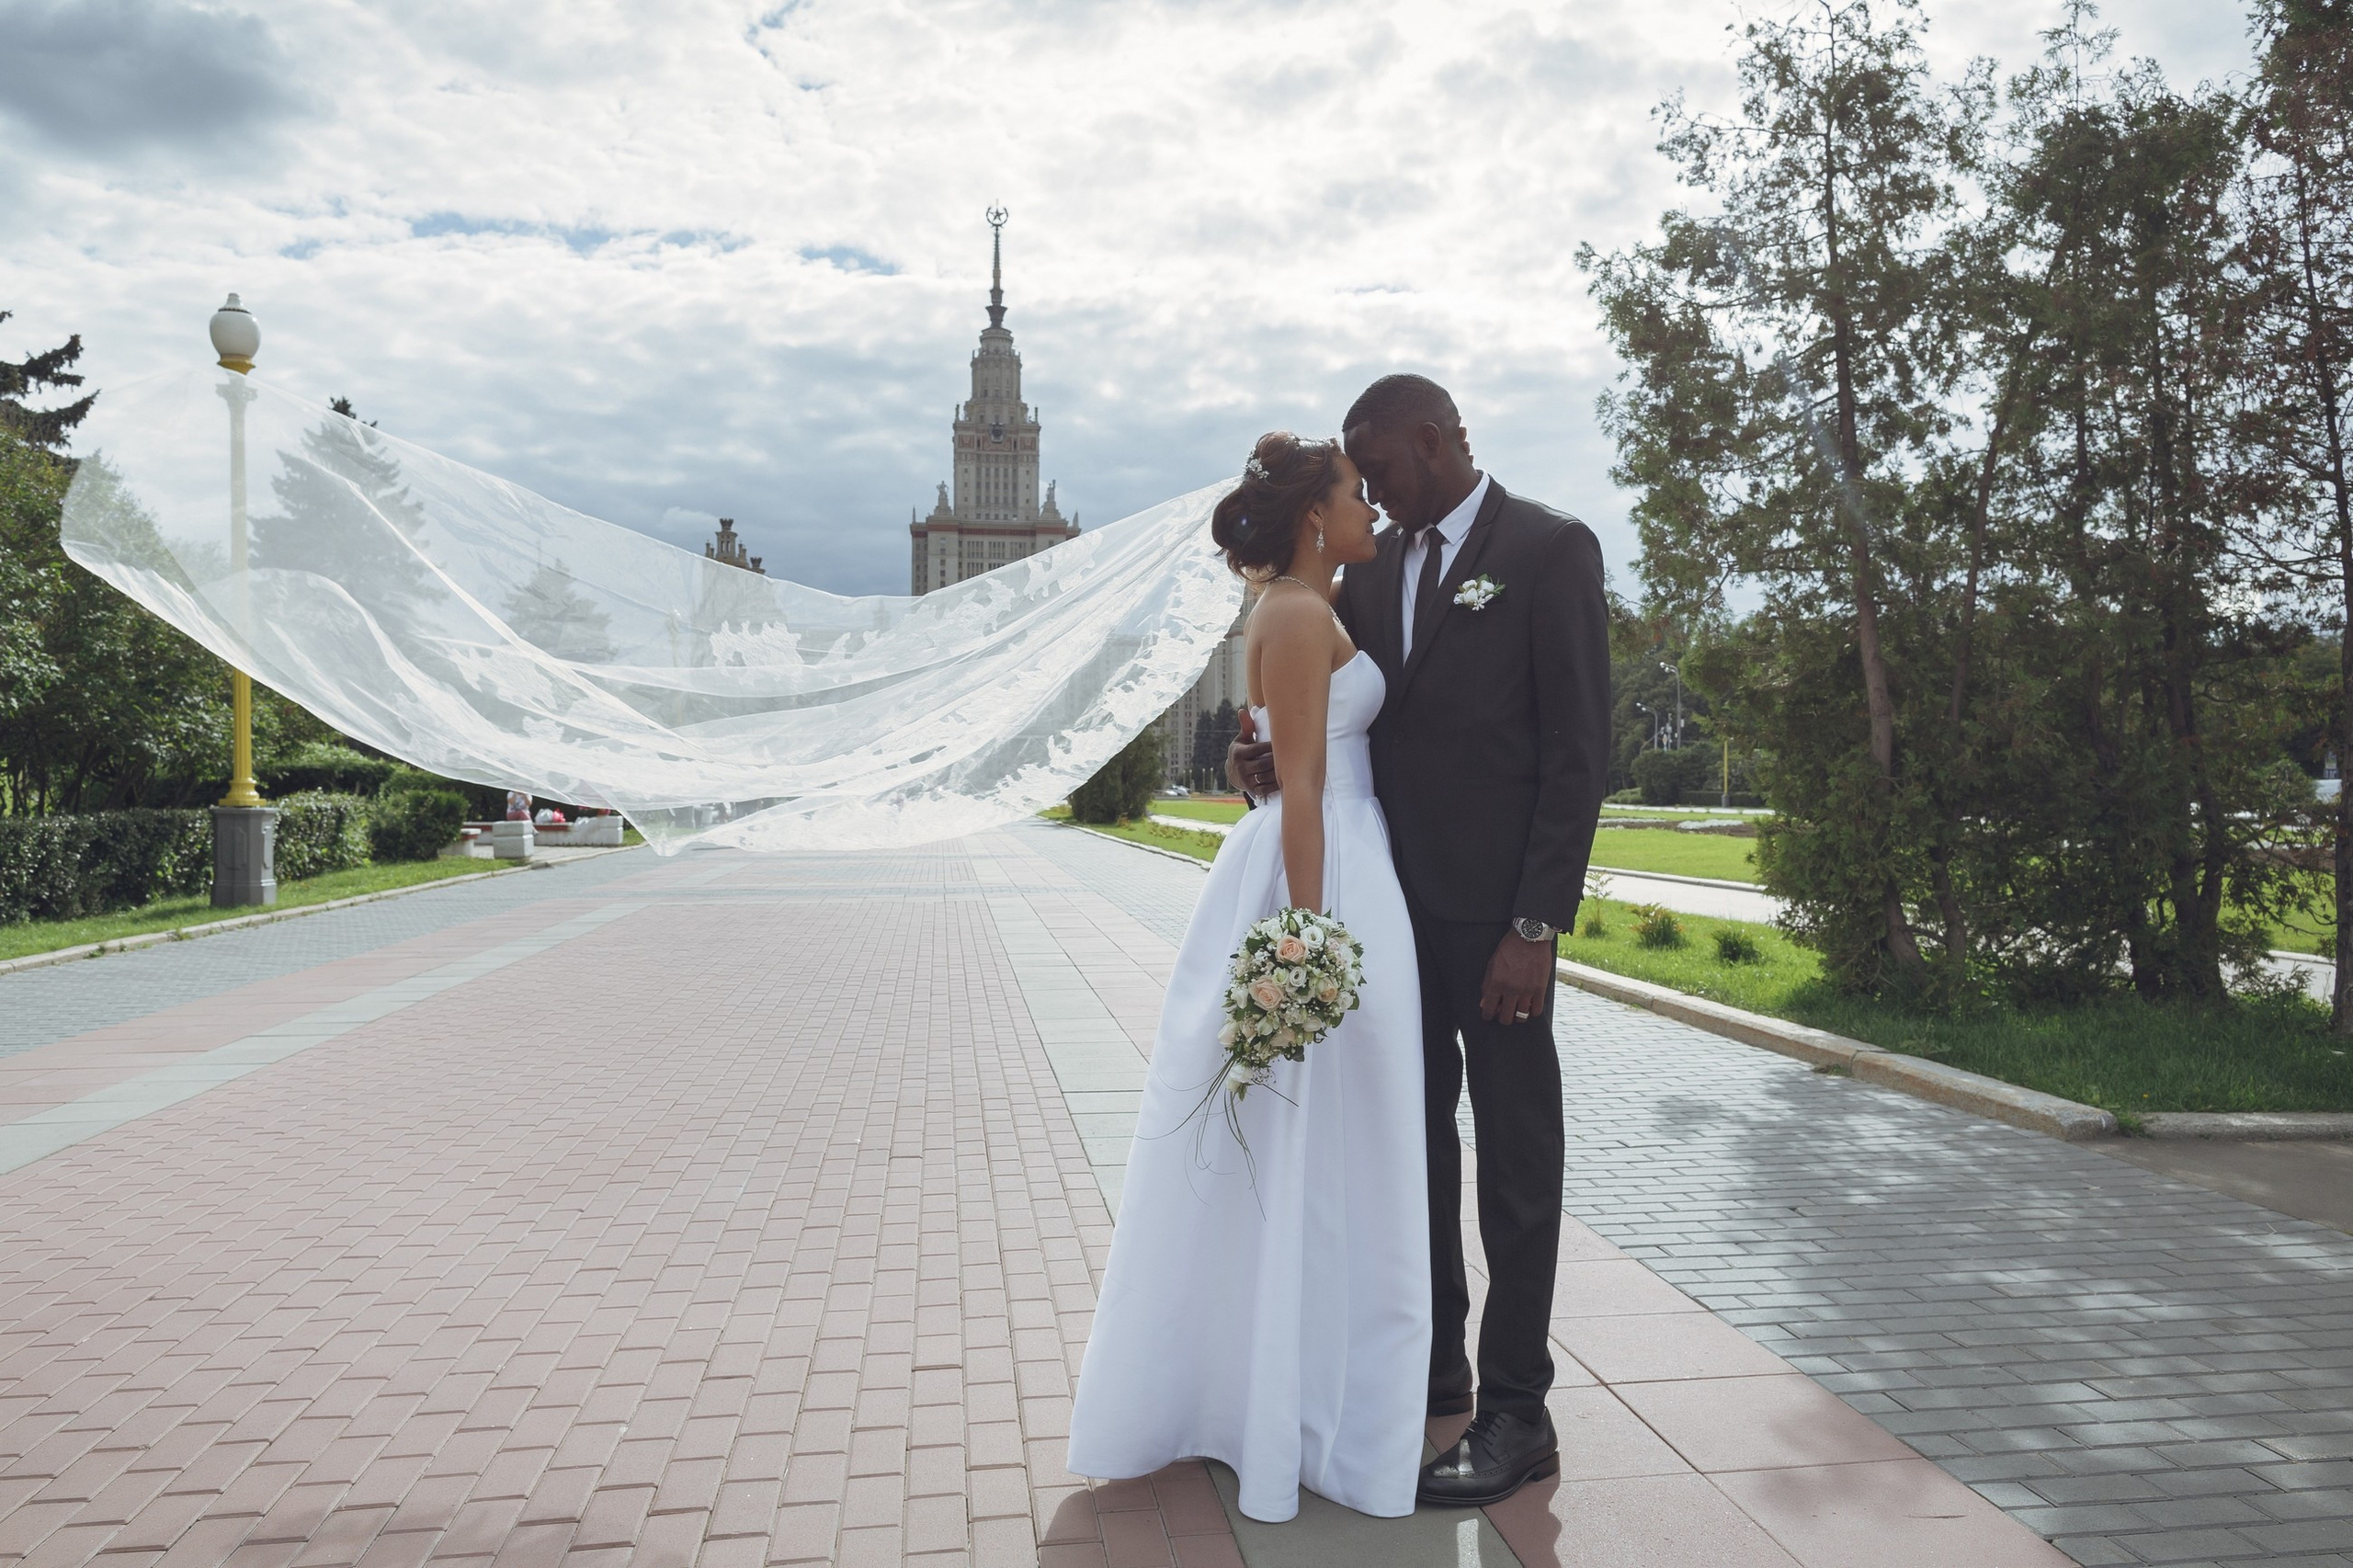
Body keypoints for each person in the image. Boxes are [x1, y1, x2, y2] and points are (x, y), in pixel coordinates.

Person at [1229, 375, 1610, 1506]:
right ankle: (1436, 1361)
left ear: (1435, 440)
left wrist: (1533, 926)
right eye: (1357, 472)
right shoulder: (1372, 568)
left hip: (1497, 927)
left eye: (1379, 463)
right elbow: (1336, 720)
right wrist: (1263, 761)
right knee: (1414, 1145)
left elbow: (1578, 751)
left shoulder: (1548, 548)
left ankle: (1514, 1410)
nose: (1370, 487)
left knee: (1516, 1157)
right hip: (1387, 914)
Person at [1065, 433, 1432, 1522]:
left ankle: (1310, 1381)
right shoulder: (1290, 612)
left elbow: (1294, 756)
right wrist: (1310, 940)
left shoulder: (1309, 608)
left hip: (1343, 857)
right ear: (1316, 515)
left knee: (1336, 1142)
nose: (1371, 509)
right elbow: (1307, 790)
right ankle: (1283, 1395)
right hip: (1323, 875)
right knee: (1315, 1133)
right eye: (1356, 495)